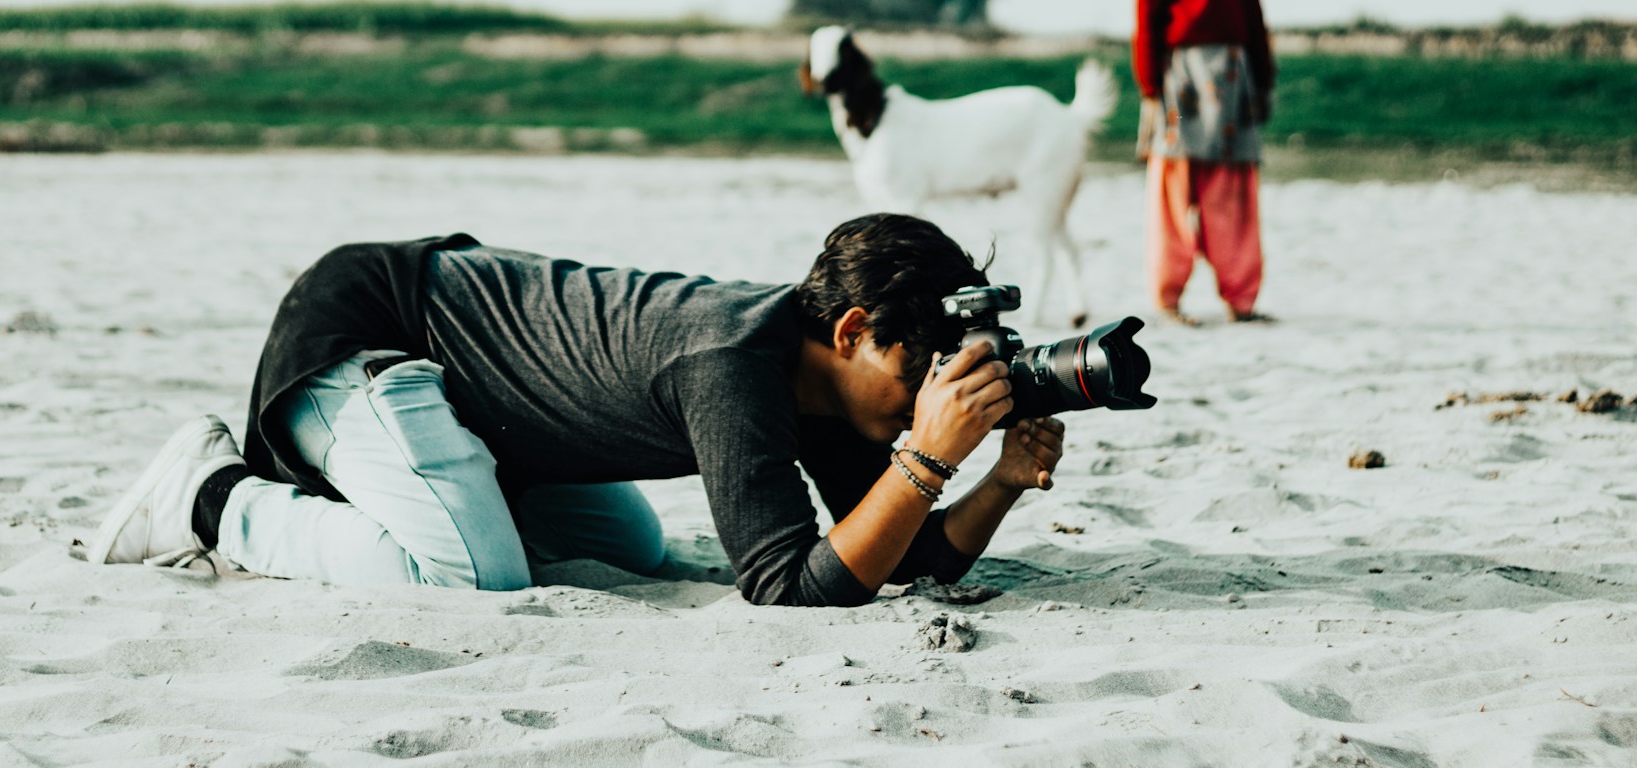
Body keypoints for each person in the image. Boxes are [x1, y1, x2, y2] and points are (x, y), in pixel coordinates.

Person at [89, 213, 1066, 607]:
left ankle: (447, 486)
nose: (927, 399)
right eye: (922, 373)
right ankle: (211, 493)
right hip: (367, 335)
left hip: (481, 409)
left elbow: (893, 552)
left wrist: (1004, 478)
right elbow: (786, 588)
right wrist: (927, 461)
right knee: (471, 574)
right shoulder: (734, 362)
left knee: (634, 547)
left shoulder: (827, 387)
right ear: (852, 329)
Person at [1134, 0, 1275, 326]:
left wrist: (1264, 81)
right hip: (1179, 84)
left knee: (1233, 193)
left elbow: (1254, 16)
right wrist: (1150, 89)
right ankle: (1168, 298)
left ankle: (1241, 298)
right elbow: (1147, 26)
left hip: (1234, 80)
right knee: (1173, 193)